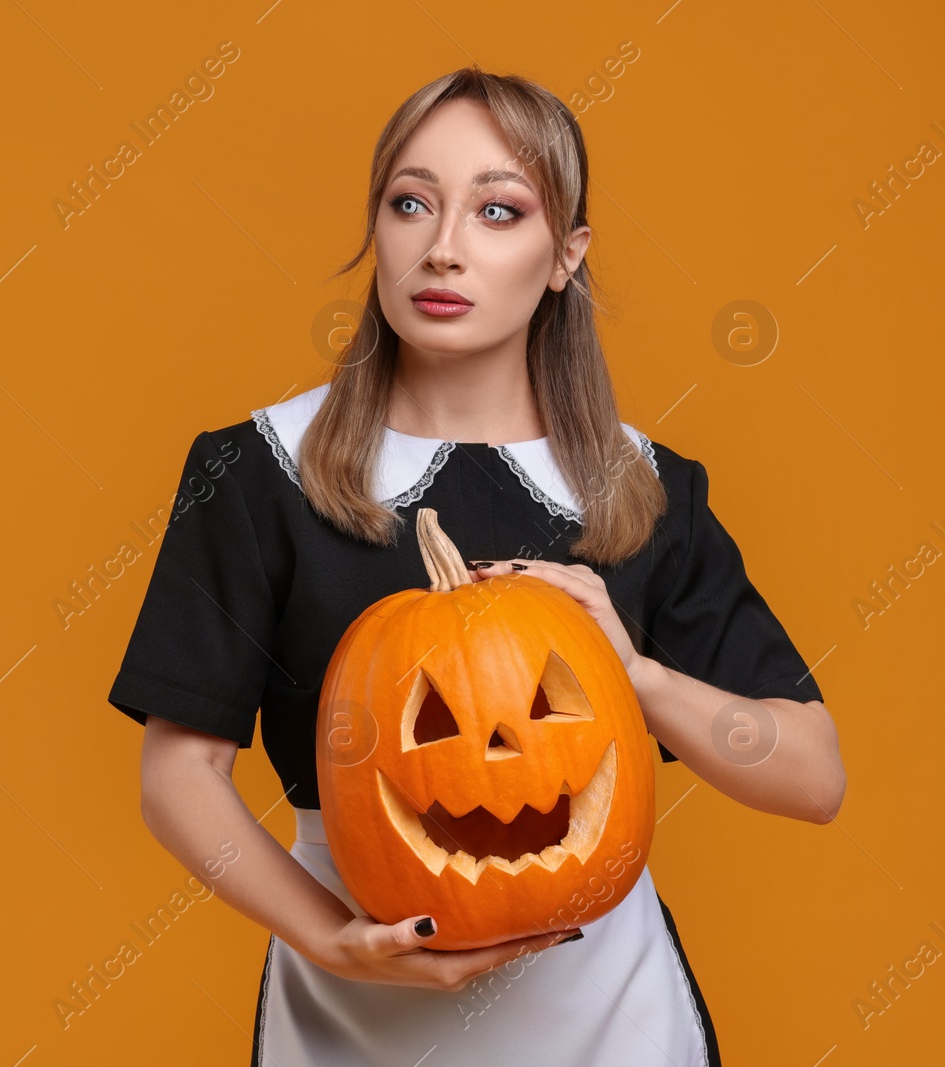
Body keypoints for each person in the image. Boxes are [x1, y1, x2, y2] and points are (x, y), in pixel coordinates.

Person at [104, 66, 846, 1066]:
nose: (442, 248)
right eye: (410, 204)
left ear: (563, 257)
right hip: (354, 1011)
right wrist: (330, 935)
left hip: (613, 1024)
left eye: (498, 211)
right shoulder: (253, 472)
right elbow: (177, 774)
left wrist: (634, 677)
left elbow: (811, 775)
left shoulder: (646, 487)